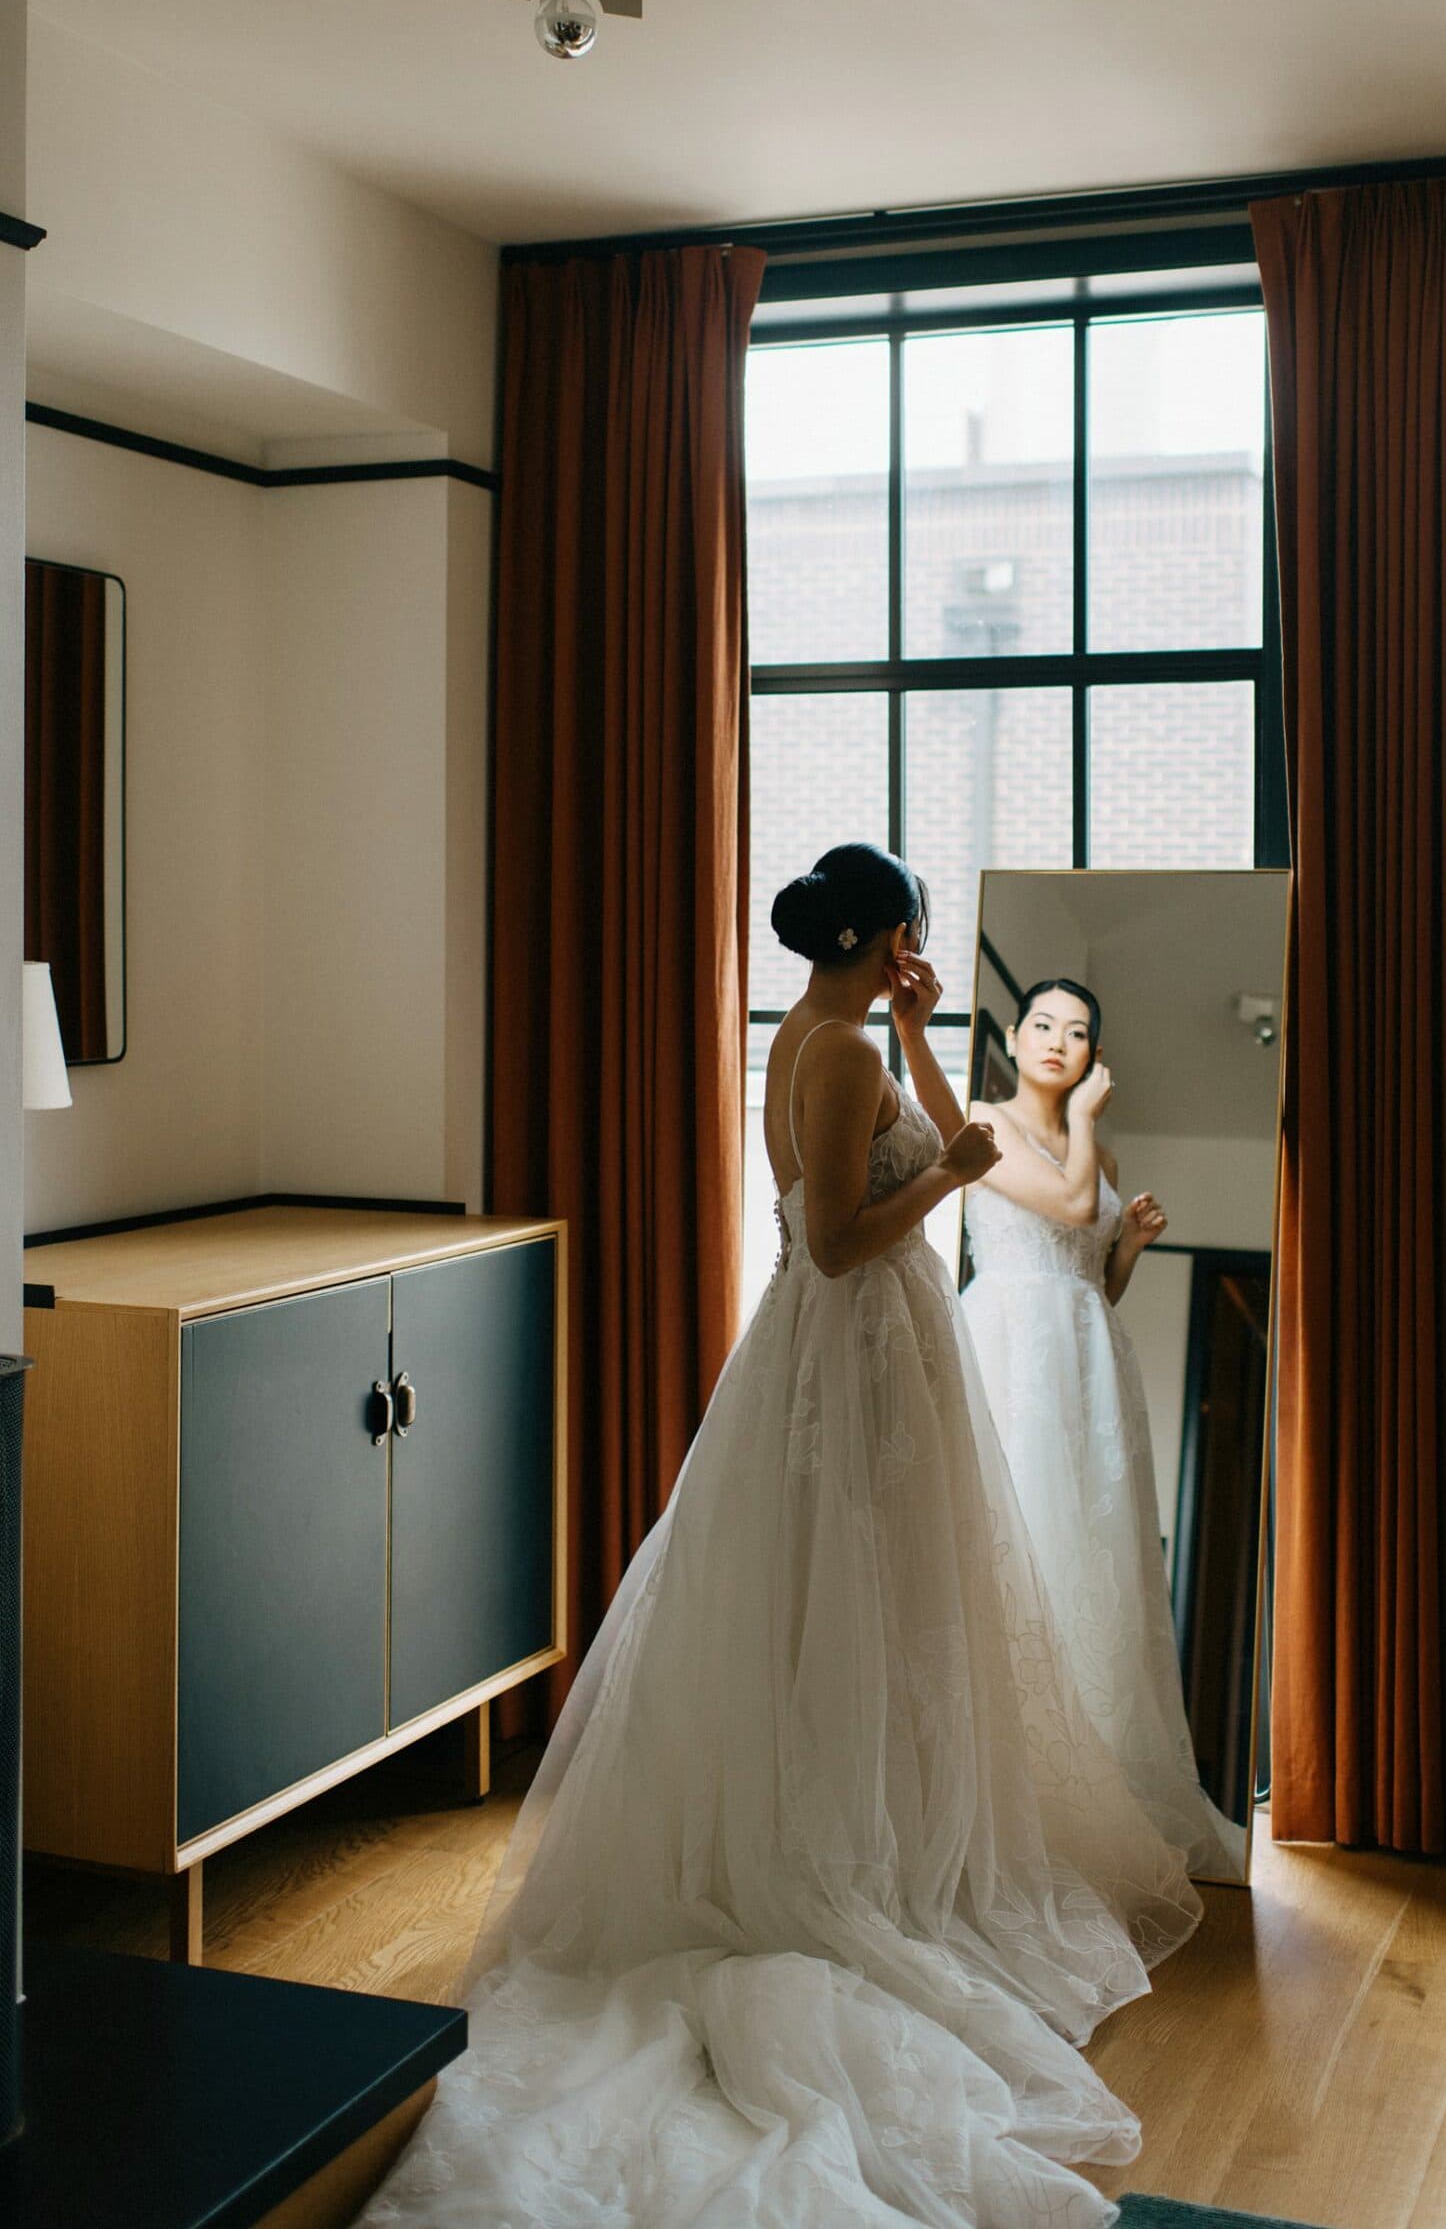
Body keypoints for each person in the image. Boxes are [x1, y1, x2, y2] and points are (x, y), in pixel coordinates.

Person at [359, 846, 1200, 2229]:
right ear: (878, 936)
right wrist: (948, 1184)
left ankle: (879, 1815)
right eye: (913, 937)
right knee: (850, 1598)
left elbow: (937, 1133)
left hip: (882, 1348)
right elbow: (831, 1241)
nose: (920, 950)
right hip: (849, 1349)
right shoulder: (824, 1054)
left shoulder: (856, 1037)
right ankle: (832, 1846)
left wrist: (930, 1046)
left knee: (894, 1605)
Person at [962, 978, 1245, 1881]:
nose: (1056, 1041)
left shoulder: (1104, 1158)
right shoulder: (985, 1122)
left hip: (1085, 1355)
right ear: (1014, 1034)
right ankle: (1004, 1787)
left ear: (1094, 1050)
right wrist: (1084, 1121)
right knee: (1020, 1539)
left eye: (1076, 1032)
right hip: (1013, 1350)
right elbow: (1070, 1206)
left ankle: (1086, 1779)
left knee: (1088, 1555)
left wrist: (1128, 1251)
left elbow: (1091, 1271)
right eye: (1042, 1025)